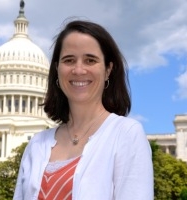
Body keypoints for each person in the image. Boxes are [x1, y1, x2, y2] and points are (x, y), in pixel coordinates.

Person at [13, 19, 153, 200]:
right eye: (69, 60)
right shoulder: (37, 144)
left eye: (90, 60)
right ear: (57, 69)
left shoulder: (126, 134)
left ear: (108, 70)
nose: (79, 70)